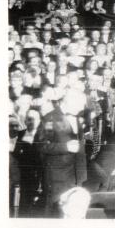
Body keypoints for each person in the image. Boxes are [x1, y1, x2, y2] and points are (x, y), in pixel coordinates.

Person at [37, 88, 88, 216]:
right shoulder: (49, 119)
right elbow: (40, 145)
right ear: (68, 102)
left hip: (75, 172)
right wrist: (65, 147)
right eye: (79, 105)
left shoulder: (75, 117)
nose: (82, 108)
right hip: (57, 175)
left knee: (72, 210)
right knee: (55, 210)